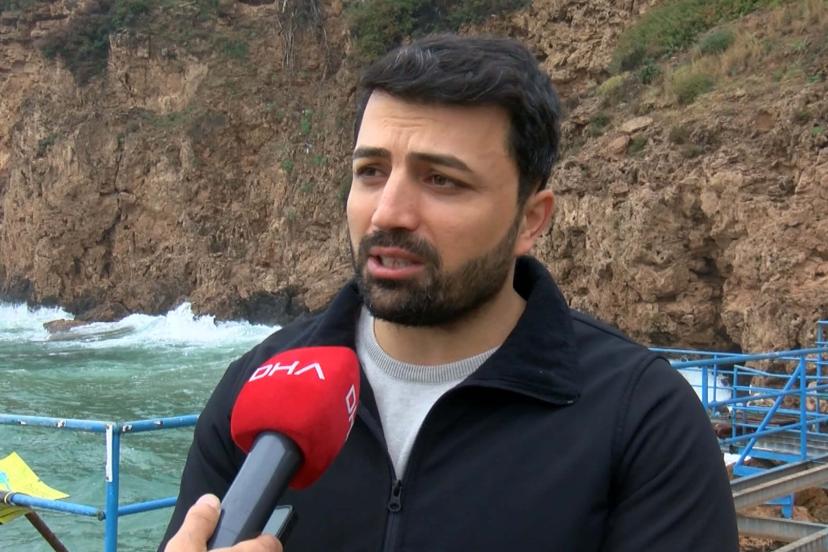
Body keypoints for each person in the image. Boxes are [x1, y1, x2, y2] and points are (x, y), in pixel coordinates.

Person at [161, 34, 739, 551]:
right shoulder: (255, 386)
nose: (388, 212)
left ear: (531, 219)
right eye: (371, 171)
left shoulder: (642, 420)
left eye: (441, 180)